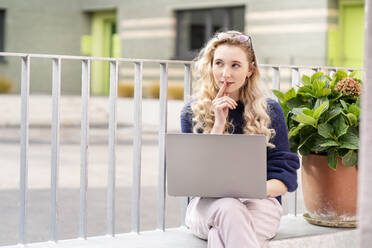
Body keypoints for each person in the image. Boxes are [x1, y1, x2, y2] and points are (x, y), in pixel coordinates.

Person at [180, 30, 300, 248]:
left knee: (223, 230)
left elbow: (285, 178)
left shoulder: (270, 110)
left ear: (250, 69)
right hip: (207, 207)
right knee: (228, 208)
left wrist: (248, 191)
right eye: (219, 63)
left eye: (235, 65)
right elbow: (195, 179)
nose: (225, 73)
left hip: (260, 204)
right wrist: (218, 124)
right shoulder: (192, 111)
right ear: (210, 66)